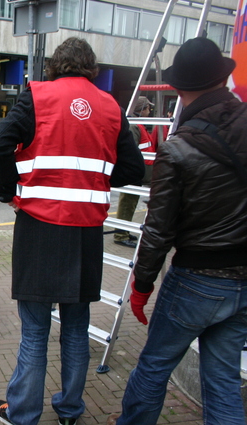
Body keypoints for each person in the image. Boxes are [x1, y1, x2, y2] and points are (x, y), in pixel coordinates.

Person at [0, 37, 145, 425]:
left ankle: (23, 412)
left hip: (40, 228)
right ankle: (70, 410)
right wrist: (95, 181)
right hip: (87, 231)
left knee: (35, 331)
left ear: (55, 65)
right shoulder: (110, 106)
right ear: (91, 68)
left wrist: (9, 188)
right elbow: (134, 170)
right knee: (77, 329)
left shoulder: (37, 96)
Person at [108, 37, 247, 425]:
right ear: (223, 78)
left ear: (178, 88)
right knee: (222, 380)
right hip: (244, 278)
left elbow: (158, 229)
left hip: (197, 278)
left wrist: (141, 286)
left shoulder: (178, 147)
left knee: (153, 367)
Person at [114, 95, 154, 248]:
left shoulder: (139, 125)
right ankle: (120, 234)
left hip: (137, 172)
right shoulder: (134, 125)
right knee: (126, 204)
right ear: (141, 110)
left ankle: (124, 230)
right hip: (133, 173)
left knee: (130, 204)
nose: (149, 111)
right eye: (147, 108)